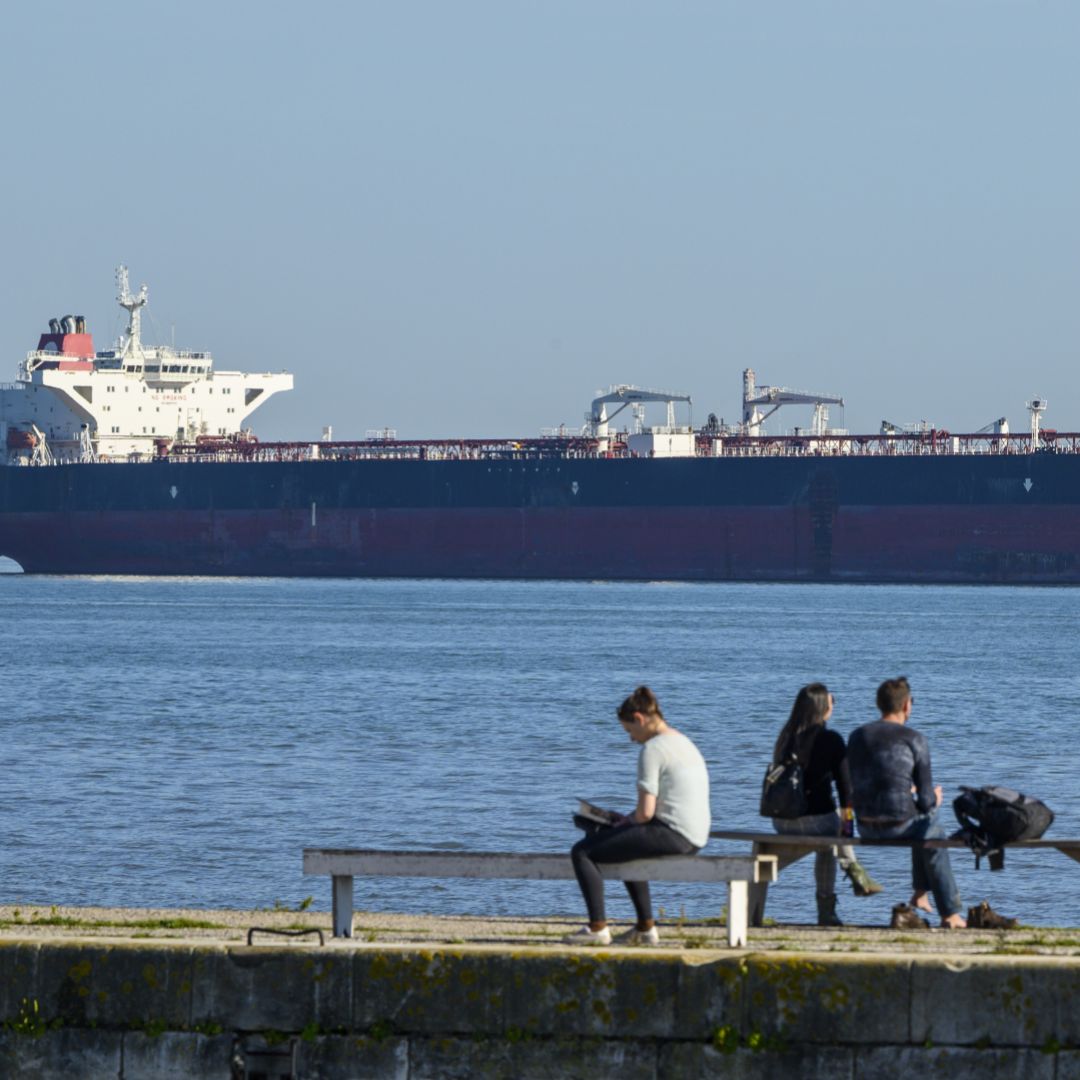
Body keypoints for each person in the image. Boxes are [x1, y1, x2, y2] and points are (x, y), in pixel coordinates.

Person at [564, 686, 711, 946]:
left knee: (582, 852)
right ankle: (645, 929)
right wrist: (625, 822)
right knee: (627, 842)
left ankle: (597, 928)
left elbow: (645, 813)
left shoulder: (653, 749)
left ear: (640, 719)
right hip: (694, 833)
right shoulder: (681, 740)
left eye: (629, 730)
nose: (631, 738)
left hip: (675, 834)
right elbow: (652, 811)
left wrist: (627, 822)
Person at [847, 677, 966, 929]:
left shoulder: (856, 736)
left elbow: (862, 781)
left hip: (864, 824)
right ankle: (950, 914)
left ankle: (920, 893)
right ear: (906, 706)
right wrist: (935, 799)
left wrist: (905, 792)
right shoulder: (915, 739)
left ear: (879, 704)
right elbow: (925, 799)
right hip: (897, 825)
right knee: (932, 826)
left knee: (923, 822)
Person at [770, 683, 882, 927]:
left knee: (828, 845)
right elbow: (846, 790)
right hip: (816, 823)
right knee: (834, 836)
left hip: (781, 821)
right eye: (832, 701)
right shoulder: (831, 739)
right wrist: (848, 828)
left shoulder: (785, 738)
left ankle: (853, 874)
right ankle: (834, 898)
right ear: (823, 708)